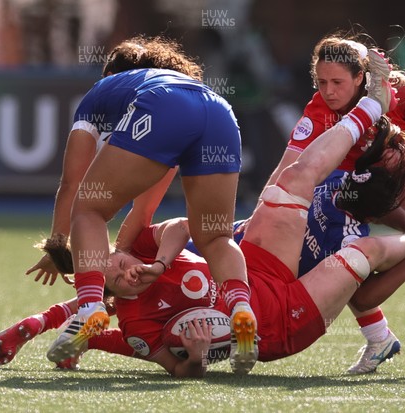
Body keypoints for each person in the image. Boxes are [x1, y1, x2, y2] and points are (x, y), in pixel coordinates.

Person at [0, 51, 405, 376]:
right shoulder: (138, 326)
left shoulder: (104, 108)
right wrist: (31, 327)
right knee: (323, 233)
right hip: (270, 297)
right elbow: (161, 201)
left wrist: (64, 249)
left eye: (112, 265)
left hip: (266, 270)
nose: (123, 268)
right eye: (117, 276)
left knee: (90, 210)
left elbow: (80, 189)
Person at [41, 36, 258, 375]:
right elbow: (144, 210)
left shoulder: (104, 90)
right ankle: (242, 312)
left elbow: (71, 184)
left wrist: (58, 246)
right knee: (215, 236)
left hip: (164, 109)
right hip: (220, 112)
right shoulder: (177, 85)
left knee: (89, 209)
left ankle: (90, 308)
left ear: (110, 73)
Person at [254, 34, 405, 373]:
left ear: (361, 78)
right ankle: (379, 336)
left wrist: (403, 154)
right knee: (334, 244)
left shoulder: (395, 90)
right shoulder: (318, 110)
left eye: (337, 82)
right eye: (321, 82)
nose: (328, 91)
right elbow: (287, 168)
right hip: (364, 174)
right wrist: (262, 213)